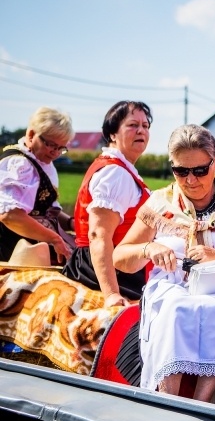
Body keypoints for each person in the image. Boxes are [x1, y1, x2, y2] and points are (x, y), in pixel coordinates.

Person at [113, 124, 215, 402]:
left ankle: (201, 403)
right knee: (175, 308)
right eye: (180, 171)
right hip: (174, 285)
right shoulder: (159, 203)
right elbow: (121, 257)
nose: (190, 180)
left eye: (200, 170)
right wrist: (149, 248)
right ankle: (167, 400)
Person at [62, 101, 152, 306]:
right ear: (112, 134)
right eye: (133, 125)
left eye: (145, 126)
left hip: (124, 264)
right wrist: (112, 293)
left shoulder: (121, 169)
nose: (141, 131)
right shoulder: (115, 173)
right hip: (108, 268)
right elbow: (98, 235)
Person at [0, 106, 75, 264]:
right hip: (13, 248)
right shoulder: (19, 164)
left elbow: (47, 210)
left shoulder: (43, 163)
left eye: (61, 148)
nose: (55, 152)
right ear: (31, 134)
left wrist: (71, 223)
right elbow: (10, 216)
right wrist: (54, 238)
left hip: (37, 243)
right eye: (51, 145)